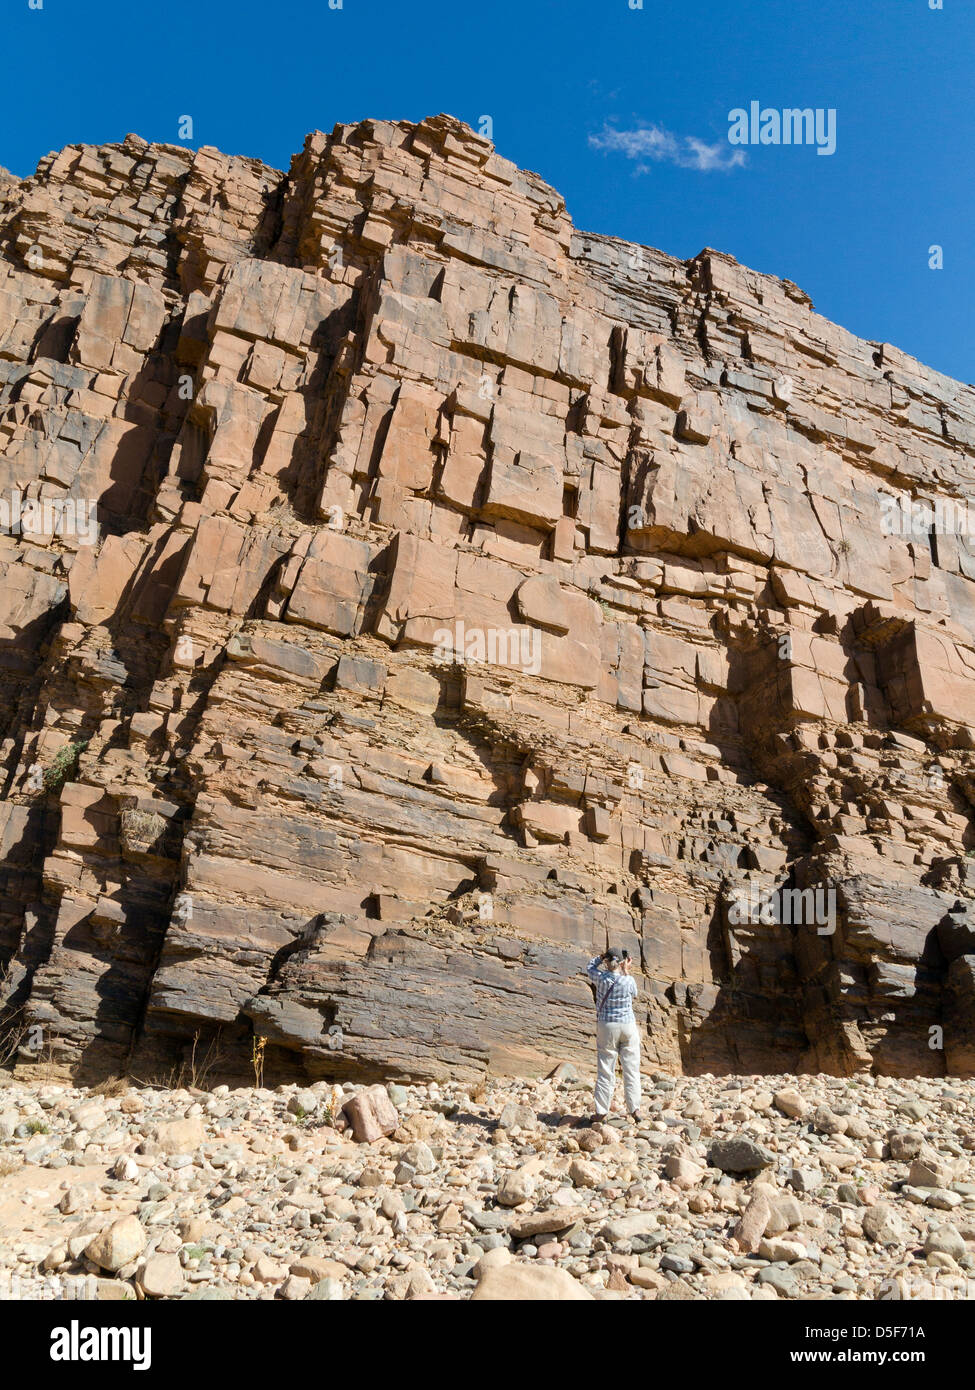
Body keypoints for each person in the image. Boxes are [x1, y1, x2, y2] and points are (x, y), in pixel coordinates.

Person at [586, 948, 642, 1123]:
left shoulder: (601, 978)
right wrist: (626, 970)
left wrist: (601, 957)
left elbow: (589, 967)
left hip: (607, 1026)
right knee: (631, 1069)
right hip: (628, 1026)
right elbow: (635, 993)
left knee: (605, 1070)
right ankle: (635, 1110)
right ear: (622, 962)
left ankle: (601, 1111)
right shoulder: (628, 981)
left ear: (607, 961)